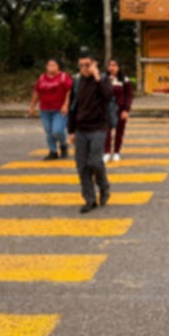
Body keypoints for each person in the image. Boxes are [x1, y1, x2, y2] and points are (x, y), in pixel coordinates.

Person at [68, 49, 113, 213]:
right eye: (81, 65)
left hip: (98, 127)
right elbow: (73, 107)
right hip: (81, 129)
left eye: (87, 65)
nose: (84, 68)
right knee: (82, 166)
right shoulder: (77, 83)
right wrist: (71, 131)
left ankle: (104, 186)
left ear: (94, 64)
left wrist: (97, 77)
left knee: (94, 161)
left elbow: (107, 97)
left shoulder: (103, 80)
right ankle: (89, 199)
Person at [29, 58, 73, 161]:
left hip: (59, 109)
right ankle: (53, 151)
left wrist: (66, 104)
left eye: (53, 65)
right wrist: (32, 106)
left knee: (57, 130)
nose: (50, 67)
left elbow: (69, 91)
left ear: (58, 66)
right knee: (48, 131)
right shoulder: (42, 78)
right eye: (49, 65)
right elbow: (36, 92)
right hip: (45, 109)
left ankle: (63, 144)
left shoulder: (63, 77)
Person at [103, 58, 134, 163]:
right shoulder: (104, 79)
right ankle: (106, 152)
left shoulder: (125, 80)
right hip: (107, 109)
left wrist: (126, 110)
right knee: (107, 131)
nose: (112, 68)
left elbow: (129, 96)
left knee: (119, 131)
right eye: (110, 65)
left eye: (114, 65)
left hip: (120, 109)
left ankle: (116, 152)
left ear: (119, 67)